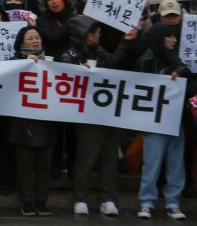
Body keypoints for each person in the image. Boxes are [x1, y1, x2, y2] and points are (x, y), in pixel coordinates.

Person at [60, 15, 137, 217]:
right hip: (87, 116)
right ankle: (81, 199)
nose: (99, 36)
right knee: (86, 159)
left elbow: (112, 64)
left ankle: (109, 199)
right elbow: (65, 78)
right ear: (86, 35)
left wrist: (125, 43)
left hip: (108, 113)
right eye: (96, 33)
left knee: (110, 158)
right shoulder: (69, 55)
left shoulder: (99, 52)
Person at [135, 25, 191, 220]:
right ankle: (146, 202)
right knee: (152, 162)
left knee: (176, 164)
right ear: (160, 38)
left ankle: (173, 203)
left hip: (176, 119)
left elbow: (190, 83)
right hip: (154, 120)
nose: (174, 40)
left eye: (175, 37)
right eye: (170, 36)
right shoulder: (147, 59)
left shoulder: (179, 60)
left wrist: (180, 74)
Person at [9, 26, 57, 217]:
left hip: (46, 119)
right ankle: (27, 201)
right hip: (23, 121)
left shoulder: (53, 63)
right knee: (25, 165)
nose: (35, 41)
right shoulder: (14, 62)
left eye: (37, 37)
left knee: (44, 165)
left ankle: (42, 201)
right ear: (21, 43)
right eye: (30, 38)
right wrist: (23, 65)